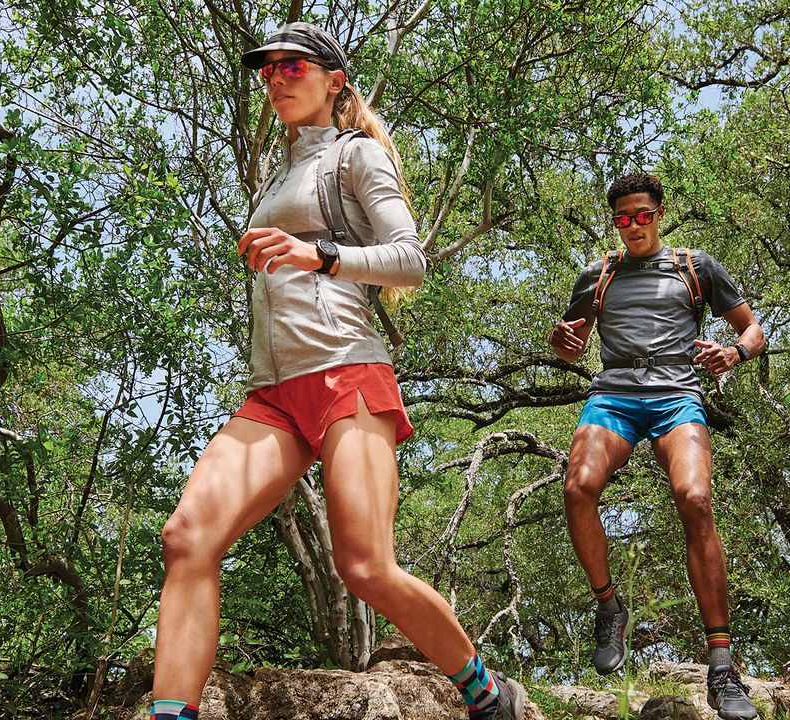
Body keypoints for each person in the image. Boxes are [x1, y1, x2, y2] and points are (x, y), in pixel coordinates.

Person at [147, 22, 527, 720]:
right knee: (187, 537)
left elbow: (410, 259)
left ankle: (486, 691)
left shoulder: (356, 157)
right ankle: (171, 714)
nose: (277, 77)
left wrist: (316, 256)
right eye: (268, 70)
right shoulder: (280, 171)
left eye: (294, 65)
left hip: (346, 375)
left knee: (364, 567)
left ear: (334, 80)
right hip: (273, 393)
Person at [549, 173, 765, 720]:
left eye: (642, 215)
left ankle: (722, 667)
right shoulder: (597, 275)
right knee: (578, 487)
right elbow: (572, 347)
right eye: (623, 218)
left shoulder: (697, 267)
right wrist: (565, 342)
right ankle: (609, 607)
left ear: (659, 214)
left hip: (675, 395)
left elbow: (754, 330)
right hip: (615, 393)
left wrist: (734, 353)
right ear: (614, 221)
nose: (633, 225)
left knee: (693, 498)